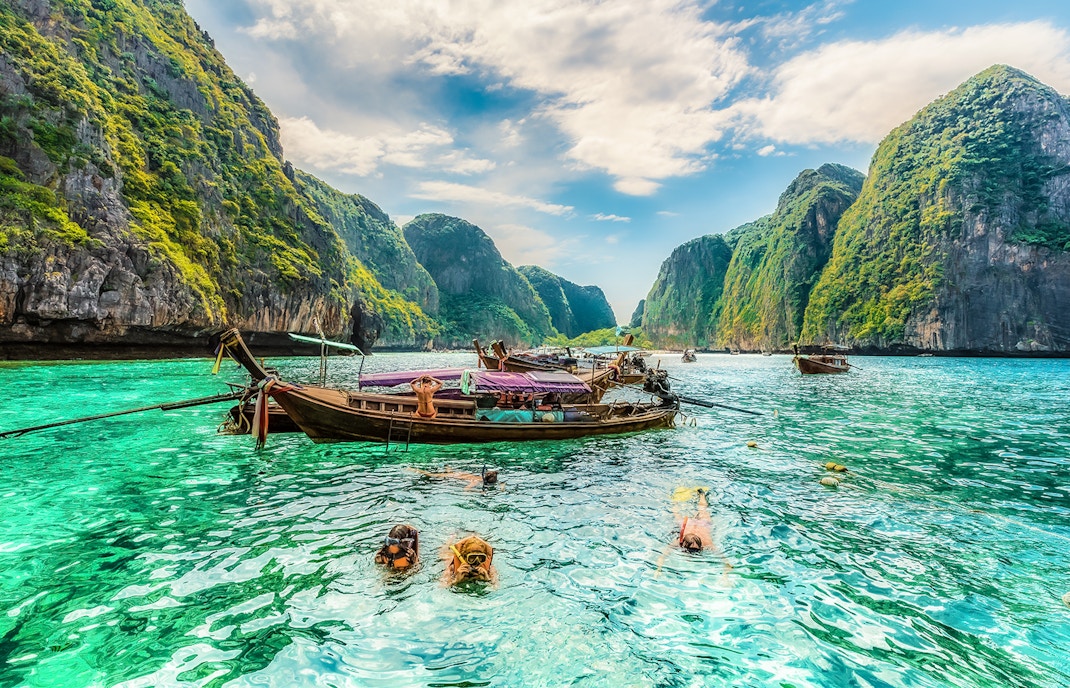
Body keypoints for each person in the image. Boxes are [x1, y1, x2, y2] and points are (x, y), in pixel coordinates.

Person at [408, 465, 499, 489]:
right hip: (454, 476)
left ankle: (447, 467)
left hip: (458, 474)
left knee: (450, 472)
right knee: (431, 475)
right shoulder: (476, 482)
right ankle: (413, 469)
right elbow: (466, 490)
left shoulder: (479, 477)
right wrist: (477, 491)